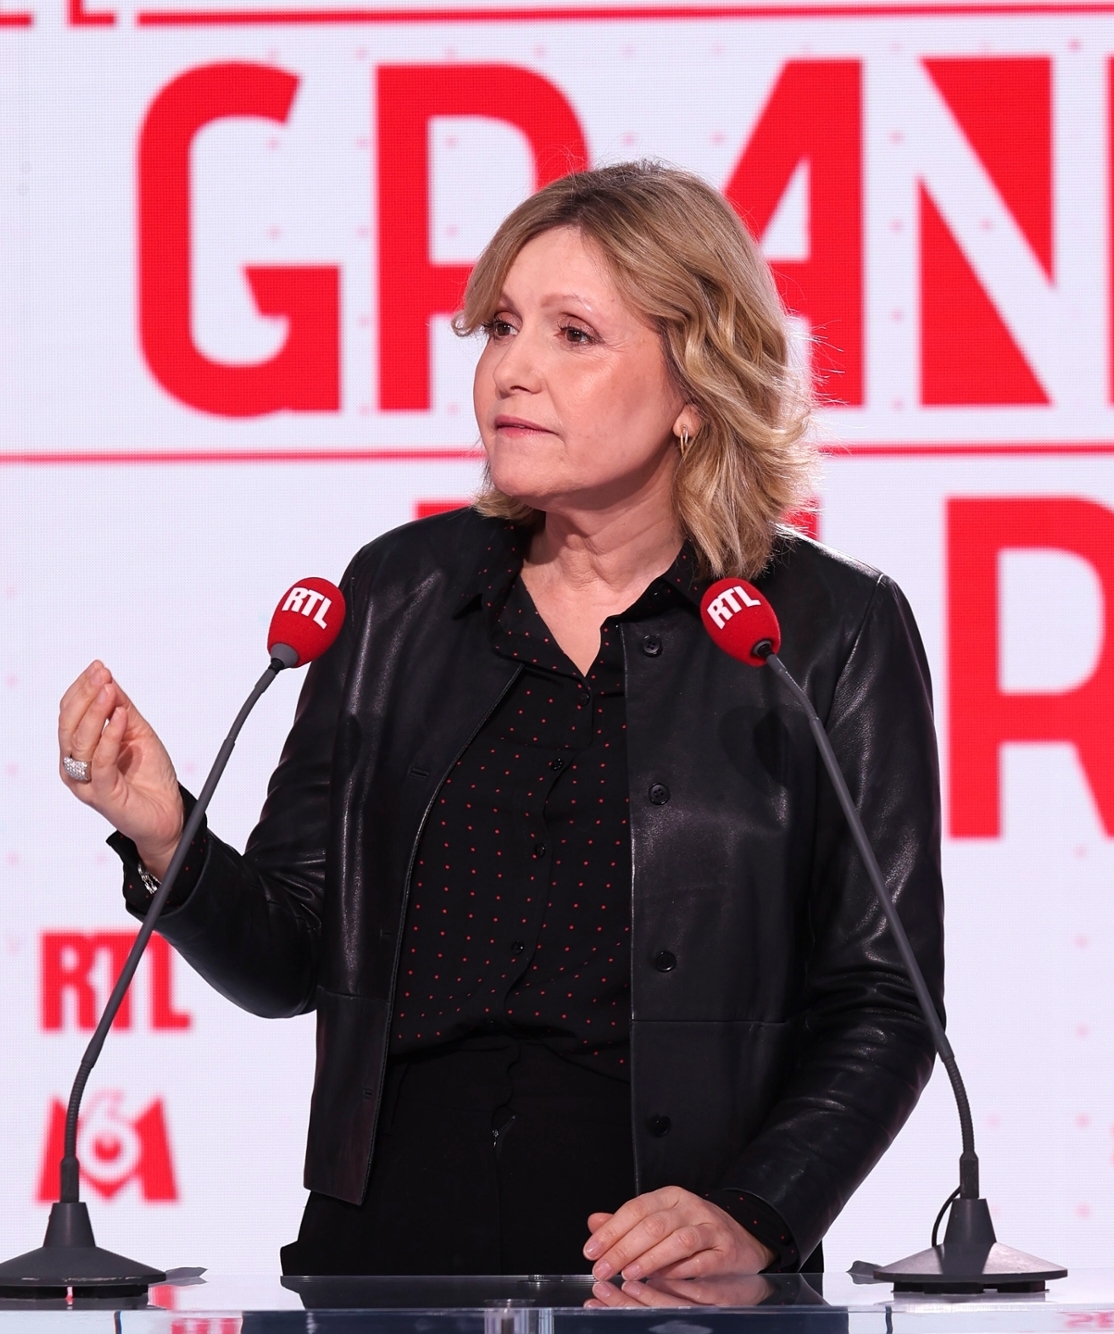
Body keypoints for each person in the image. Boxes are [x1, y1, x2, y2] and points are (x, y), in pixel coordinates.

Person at [55, 161, 944, 1287]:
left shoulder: (824, 627)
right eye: (501, 328)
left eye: (574, 335)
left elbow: (883, 1000)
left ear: (694, 383)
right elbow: (291, 955)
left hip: (664, 1270)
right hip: (383, 1259)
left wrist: (757, 1212)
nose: (512, 370)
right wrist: (168, 835)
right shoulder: (399, 596)